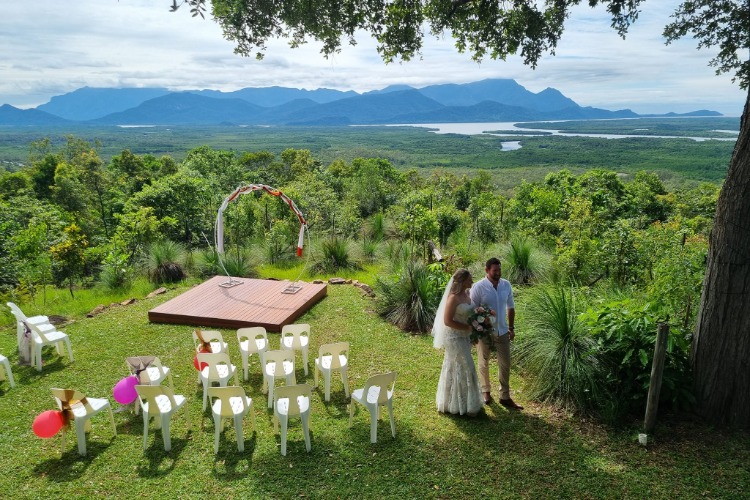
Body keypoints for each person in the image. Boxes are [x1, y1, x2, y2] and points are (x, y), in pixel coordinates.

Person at [470, 257, 524, 410]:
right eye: (495, 271)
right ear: (487, 270)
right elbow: (472, 309)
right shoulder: (478, 287)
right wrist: (477, 327)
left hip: (502, 331)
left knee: (506, 363)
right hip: (485, 332)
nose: (498, 273)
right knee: (483, 362)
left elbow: (511, 308)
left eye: (499, 270)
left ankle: (505, 396)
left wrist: (511, 328)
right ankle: (485, 391)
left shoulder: (506, 285)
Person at [433, 268, 484, 416]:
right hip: (454, 337)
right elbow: (447, 321)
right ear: (462, 281)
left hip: (465, 336)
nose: (472, 281)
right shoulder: (453, 298)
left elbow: (469, 313)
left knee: (458, 366)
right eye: (470, 279)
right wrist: (467, 327)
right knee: (465, 365)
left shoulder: (467, 294)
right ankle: (461, 405)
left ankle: (458, 402)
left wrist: (477, 323)